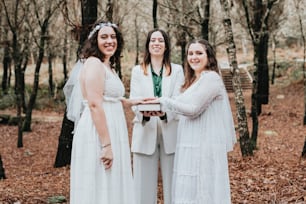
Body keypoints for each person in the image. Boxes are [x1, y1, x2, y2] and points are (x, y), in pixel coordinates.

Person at [146, 39, 237, 203]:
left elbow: (193, 110)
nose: (194, 57)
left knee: (203, 188)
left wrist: (163, 101)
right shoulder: (193, 81)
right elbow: (180, 107)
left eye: (199, 53)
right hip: (189, 141)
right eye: (190, 53)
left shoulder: (211, 79)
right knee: (189, 189)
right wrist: (156, 108)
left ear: (209, 57)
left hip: (204, 143)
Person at [69, 20, 136, 204]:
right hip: (98, 133)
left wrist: (132, 101)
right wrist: (106, 145)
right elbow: (94, 104)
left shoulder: (107, 66)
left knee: (112, 183)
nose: (109, 41)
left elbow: (108, 97)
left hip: (112, 129)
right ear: (95, 41)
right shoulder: (93, 63)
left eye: (113, 37)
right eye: (104, 37)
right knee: (100, 183)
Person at [129, 28, 184, 204]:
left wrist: (164, 114)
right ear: (148, 45)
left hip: (170, 131)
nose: (157, 43)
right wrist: (144, 114)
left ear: (166, 46)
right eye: (153, 40)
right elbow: (134, 100)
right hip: (145, 131)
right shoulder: (137, 71)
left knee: (173, 187)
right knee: (142, 188)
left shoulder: (177, 70)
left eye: (160, 40)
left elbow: (178, 100)